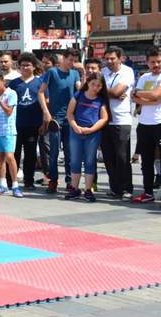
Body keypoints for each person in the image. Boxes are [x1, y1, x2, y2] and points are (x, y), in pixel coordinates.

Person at [40, 48, 81, 194]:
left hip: (70, 120)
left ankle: (70, 181)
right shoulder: (52, 72)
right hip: (55, 119)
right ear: (63, 58)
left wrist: (83, 75)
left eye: (74, 60)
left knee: (70, 153)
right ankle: (53, 180)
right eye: (70, 59)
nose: (72, 63)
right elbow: (40, 92)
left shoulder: (75, 74)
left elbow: (80, 90)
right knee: (54, 153)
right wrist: (46, 112)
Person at [66, 74, 109, 202]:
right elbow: (70, 114)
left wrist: (91, 129)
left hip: (93, 134)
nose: (95, 88)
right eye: (93, 84)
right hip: (76, 132)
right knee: (75, 160)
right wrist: (75, 126)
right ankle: (74, 188)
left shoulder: (101, 100)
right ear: (88, 83)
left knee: (90, 161)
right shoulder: (78, 95)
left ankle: (88, 189)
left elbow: (104, 118)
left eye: (99, 86)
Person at [102, 46, 135, 200]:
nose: (109, 61)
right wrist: (111, 93)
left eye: (112, 58)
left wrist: (104, 91)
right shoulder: (102, 72)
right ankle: (115, 188)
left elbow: (116, 92)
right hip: (104, 120)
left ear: (120, 58)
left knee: (122, 157)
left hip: (121, 120)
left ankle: (126, 188)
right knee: (108, 157)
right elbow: (92, 90)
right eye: (107, 58)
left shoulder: (127, 72)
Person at [10, 53, 46, 194]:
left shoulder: (39, 83)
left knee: (30, 154)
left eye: (28, 65)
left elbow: (45, 104)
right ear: (18, 67)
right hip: (15, 124)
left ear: (34, 66)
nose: (25, 67)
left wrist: (44, 122)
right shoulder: (13, 84)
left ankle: (29, 181)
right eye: (22, 65)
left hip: (33, 124)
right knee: (14, 154)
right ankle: (10, 181)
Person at [131, 47, 161, 203]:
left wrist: (141, 95)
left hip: (159, 124)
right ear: (147, 62)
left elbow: (156, 94)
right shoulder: (144, 77)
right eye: (153, 62)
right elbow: (133, 97)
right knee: (146, 161)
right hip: (144, 125)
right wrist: (152, 99)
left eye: (159, 61)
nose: (156, 64)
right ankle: (148, 192)